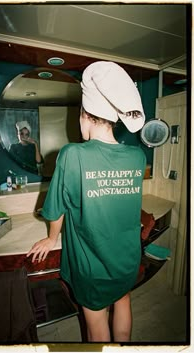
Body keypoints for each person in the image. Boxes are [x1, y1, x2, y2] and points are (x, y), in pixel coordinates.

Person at [27, 61, 147, 342]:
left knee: (97, 328)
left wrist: (52, 237)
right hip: (127, 258)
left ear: (85, 115)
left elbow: (56, 209)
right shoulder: (137, 157)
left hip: (94, 265)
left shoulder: (73, 155)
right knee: (123, 301)